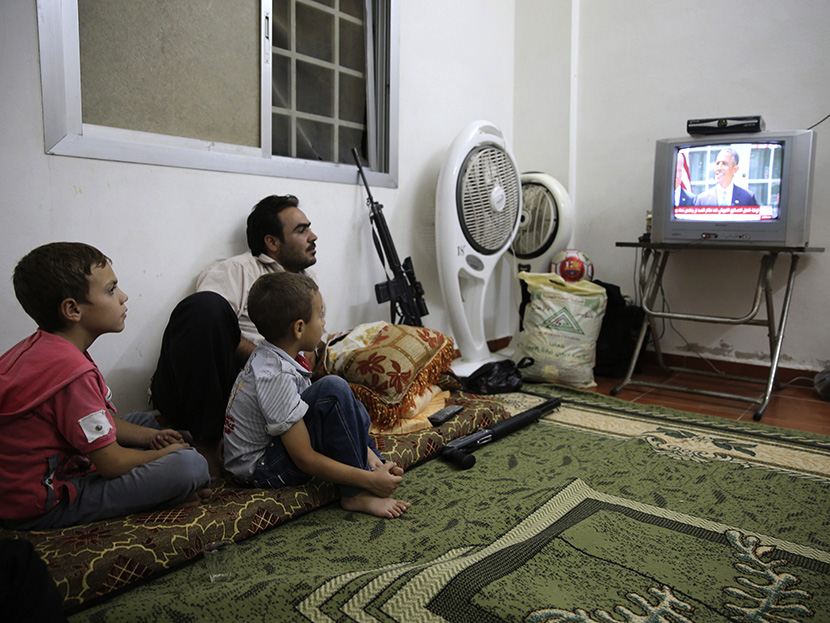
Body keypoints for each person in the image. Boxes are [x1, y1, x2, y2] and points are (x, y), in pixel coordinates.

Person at [0, 243, 211, 530]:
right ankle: (165, 497)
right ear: (73, 309)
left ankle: (162, 484)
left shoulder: (45, 347)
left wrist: (150, 438)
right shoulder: (71, 373)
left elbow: (104, 418)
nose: (123, 297)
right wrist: (163, 454)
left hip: (28, 479)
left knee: (142, 422)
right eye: (111, 290)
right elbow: (112, 464)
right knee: (190, 466)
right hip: (41, 504)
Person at [151, 195, 319, 477]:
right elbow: (205, 330)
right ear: (272, 242)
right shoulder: (235, 270)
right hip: (217, 386)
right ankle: (208, 445)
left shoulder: (308, 283)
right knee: (205, 307)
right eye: (301, 230)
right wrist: (272, 360)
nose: (312, 236)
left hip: (269, 391)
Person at [223, 272, 411, 519]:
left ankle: (370, 460)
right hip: (261, 468)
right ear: (299, 328)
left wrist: (366, 450)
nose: (324, 322)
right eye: (320, 314)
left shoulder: (278, 355)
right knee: (333, 391)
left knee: (346, 400)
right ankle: (356, 494)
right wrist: (367, 480)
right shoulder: (274, 375)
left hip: (274, 449)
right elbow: (304, 459)